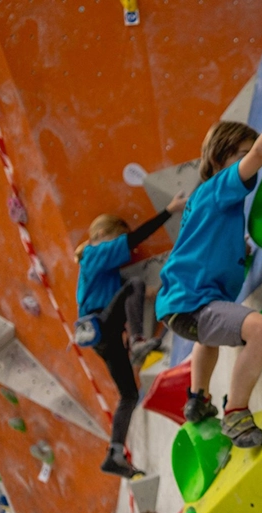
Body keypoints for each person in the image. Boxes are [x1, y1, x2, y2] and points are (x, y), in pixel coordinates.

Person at [156, 101, 262, 448]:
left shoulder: (204, 201)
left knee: (205, 338)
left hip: (181, 305)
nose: (248, 163)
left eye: (244, 154)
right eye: (238, 154)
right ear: (219, 160)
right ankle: (236, 414)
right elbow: (258, 154)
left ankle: (198, 398)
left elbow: (200, 242)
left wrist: (237, 251)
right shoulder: (217, 187)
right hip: (192, 303)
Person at [75, 192, 187, 478]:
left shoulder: (105, 274)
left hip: (102, 337)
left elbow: (139, 294)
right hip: (102, 322)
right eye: (115, 240)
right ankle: (138, 342)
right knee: (135, 282)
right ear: (101, 235)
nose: (123, 251)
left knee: (128, 395)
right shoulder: (92, 254)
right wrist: (169, 210)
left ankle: (114, 453)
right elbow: (133, 241)